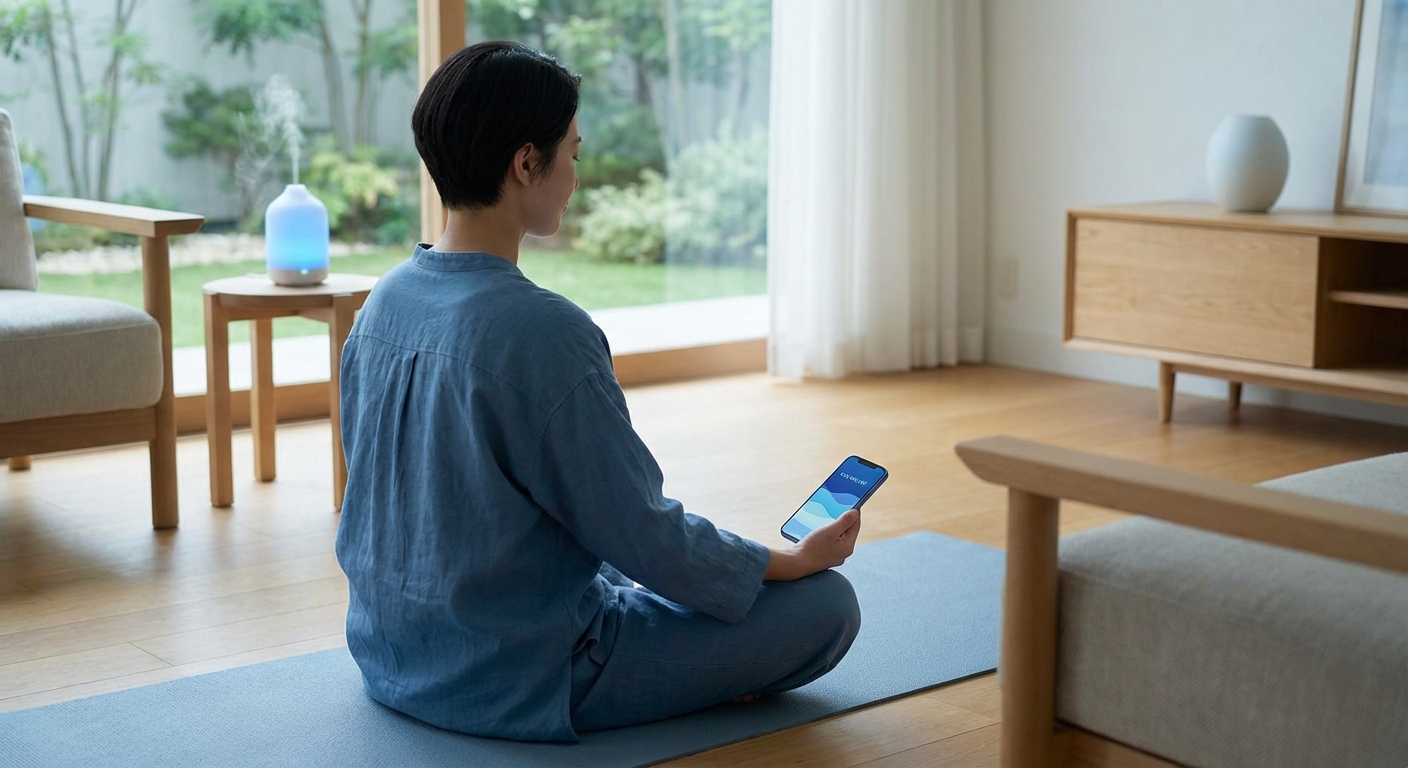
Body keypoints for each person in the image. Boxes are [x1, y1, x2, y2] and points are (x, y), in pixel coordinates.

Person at [334, 40, 862, 743]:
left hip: (391, 655)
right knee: (828, 605)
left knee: (612, 555)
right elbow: (642, 531)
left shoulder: (384, 302)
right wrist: (787, 562)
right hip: (523, 674)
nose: (575, 174)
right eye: (573, 154)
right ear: (527, 163)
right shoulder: (543, 331)